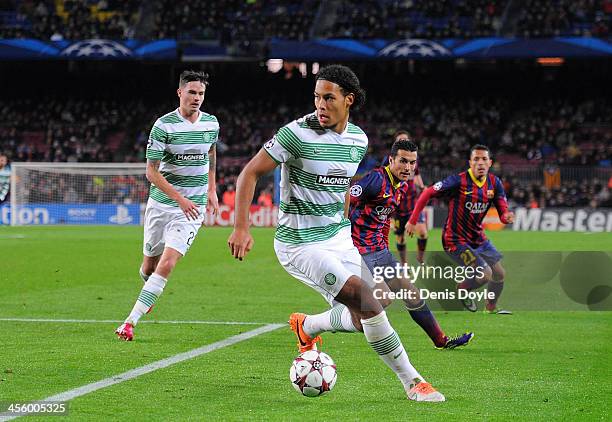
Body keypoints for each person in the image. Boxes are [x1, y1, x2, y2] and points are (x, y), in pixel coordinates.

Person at [228, 64, 445, 402]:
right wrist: (242, 227)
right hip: (300, 243)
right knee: (367, 299)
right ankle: (413, 381)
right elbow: (249, 174)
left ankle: (308, 325)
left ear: (349, 100)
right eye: (317, 97)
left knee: (371, 310)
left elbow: (343, 186)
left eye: (328, 98)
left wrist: (344, 224)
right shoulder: (295, 134)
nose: (320, 105)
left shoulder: (358, 140)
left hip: (337, 236)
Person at [115, 70, 220, 340]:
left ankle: (129, 322)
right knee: (149, 268)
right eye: (192, 92)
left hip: (192, 209)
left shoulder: (211, 124)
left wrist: (211, 188)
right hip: (162, 205)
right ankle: (149, 289)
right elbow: (151, 172)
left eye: (201, 94)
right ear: (180, 93)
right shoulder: (163, 126)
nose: (197, 98)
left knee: (168, 263)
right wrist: (179, 198)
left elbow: (211, 152)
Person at [407, 145, 514, 314]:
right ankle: (460, 290)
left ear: (490, 163)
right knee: (484, 274)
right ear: (470, 162)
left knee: (499, 273)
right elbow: (427, 193)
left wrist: (506, 216)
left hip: (477, 237)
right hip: (454, 239)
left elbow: (502, 211)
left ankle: (491, 308)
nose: (480, 163)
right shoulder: (458, 181)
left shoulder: (495, 183)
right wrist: (412, 220)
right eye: (476, 159)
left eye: (484, 159)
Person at [392, 131, 428, 265]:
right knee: (400, 238)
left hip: (413, 205)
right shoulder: (389, 160)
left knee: (423, 233)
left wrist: (423, 187)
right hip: (398, 208)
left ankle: (420, 258)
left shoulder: (414, 161)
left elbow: (417, 175)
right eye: (400, 140)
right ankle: (403, 264)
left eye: (405, 140)